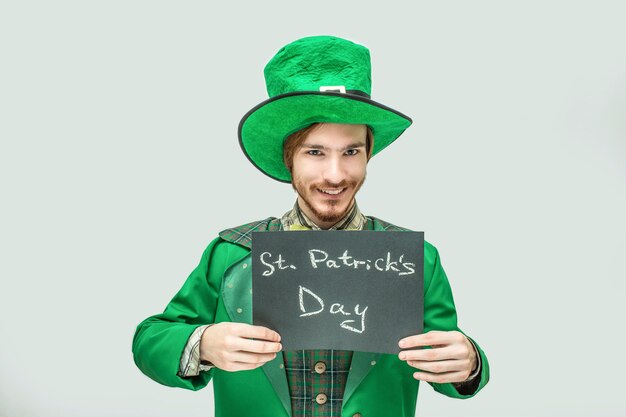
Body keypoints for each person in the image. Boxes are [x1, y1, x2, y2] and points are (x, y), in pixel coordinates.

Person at [132, 35, 489, 417]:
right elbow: (150, 339)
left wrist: (468, 363)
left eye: (351, 151)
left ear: (369, 154)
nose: (335, 175)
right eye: (315, 152)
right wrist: (202, 342)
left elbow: (450, 363)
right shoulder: (232, 254)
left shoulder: (417, 259)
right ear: (289, 159)